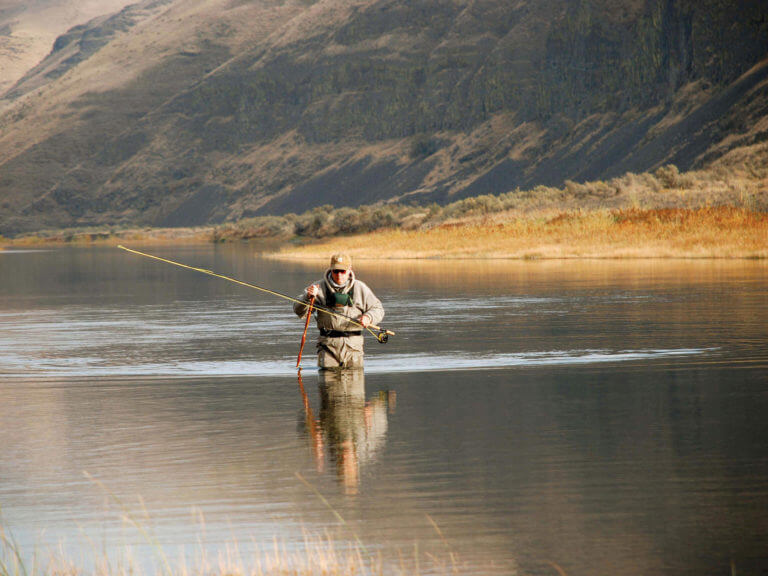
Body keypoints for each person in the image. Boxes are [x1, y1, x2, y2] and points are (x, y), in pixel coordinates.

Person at [294, 253, 384, 368]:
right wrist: (307, 296)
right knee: (327, 385)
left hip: (354, 348)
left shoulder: (360, 288)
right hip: (327, 348)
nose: (339, 275)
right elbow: (298, 311)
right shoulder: (317, 288)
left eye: (343, 271)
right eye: (335, 271)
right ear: (330, 270)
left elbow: (378, 309)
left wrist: (368, 317)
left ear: (349, 270)